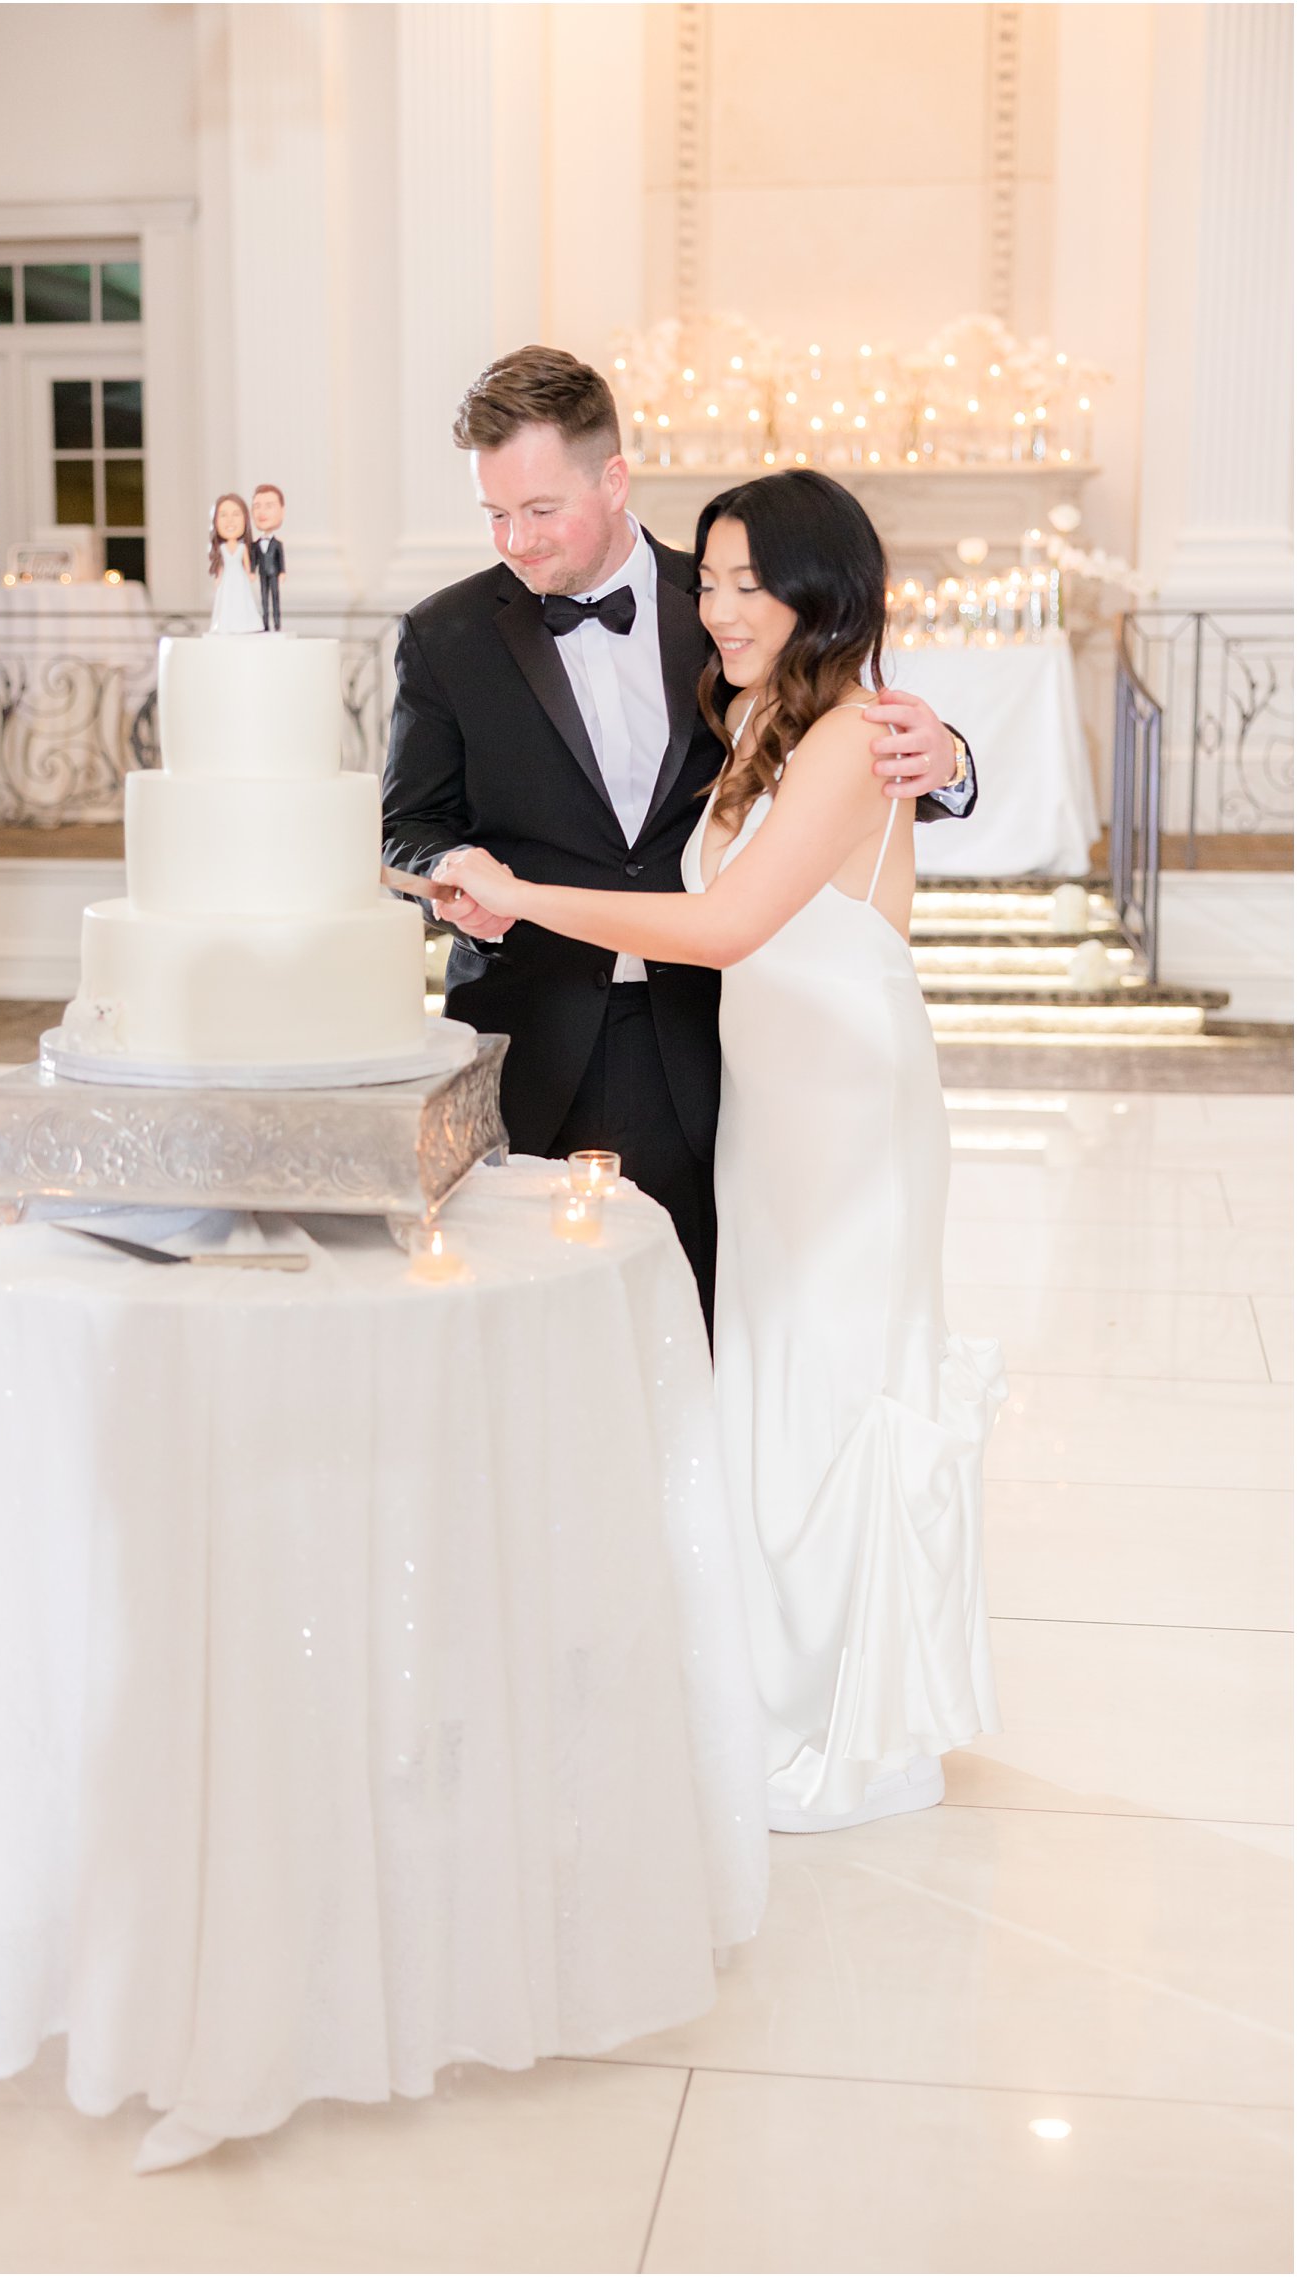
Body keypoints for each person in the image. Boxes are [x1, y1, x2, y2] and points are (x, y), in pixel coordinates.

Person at [441, 469, 1005, 1836]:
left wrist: (518, 901)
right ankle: (778, 1686)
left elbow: (730, 923)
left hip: (849, 1103)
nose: (720, 605)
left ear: (826, 590)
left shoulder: (853, 732)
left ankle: (852, 1727)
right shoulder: (756, 713)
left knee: (835, 1374)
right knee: (772, 1375)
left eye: (752, 583)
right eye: (712, 579)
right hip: (770, 1098)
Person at [381, 347, 975, 1322]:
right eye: (493, 514)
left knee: (719, 1323)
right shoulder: (442, 636)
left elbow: (838, 725)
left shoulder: (727, 605)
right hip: (532, 1026)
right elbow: (407, 824)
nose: (515, 542)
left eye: (539, 510)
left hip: (710, 1036)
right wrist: (448, 868)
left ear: (611, 478)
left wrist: (948, 758)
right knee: (538, 1328)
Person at [208, 493, 262, 634]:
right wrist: (219, 578)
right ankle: (226, 624)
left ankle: (245, 623)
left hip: (239, 577)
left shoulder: (242, 547)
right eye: (223, 515)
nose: (230, 520)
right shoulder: (222, 548)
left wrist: (250, 573)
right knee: (227, 600)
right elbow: (220, 566)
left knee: (241, 599)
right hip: (227, 578)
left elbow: (246, 563)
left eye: (236, 514)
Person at [251, 483, 287, 631]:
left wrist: (282, 572)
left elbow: (281, 559)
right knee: (264, 599)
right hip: (262, 574)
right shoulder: (256, 544)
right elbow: (254, 559)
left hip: (274, 573)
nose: (262, 512)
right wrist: (252, 571)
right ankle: (265, 623)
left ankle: (277, 623)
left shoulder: (277, 544)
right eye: (257, 506)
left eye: (269, 505)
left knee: (275, 598)